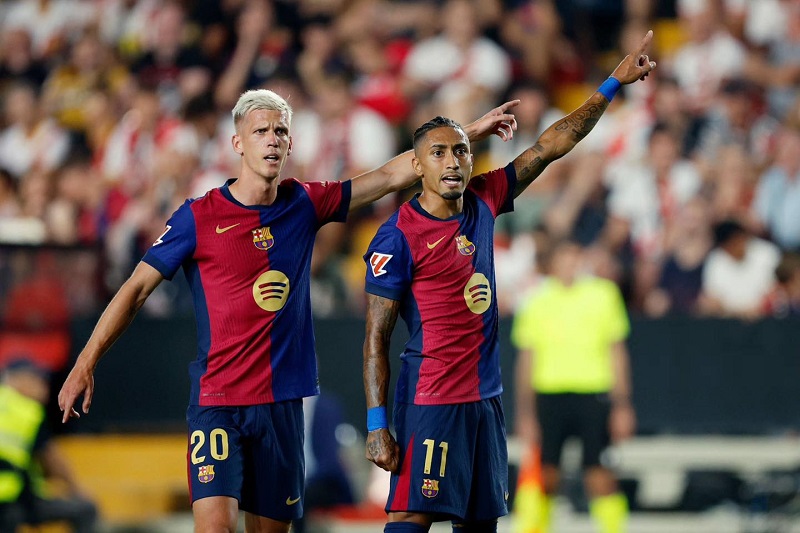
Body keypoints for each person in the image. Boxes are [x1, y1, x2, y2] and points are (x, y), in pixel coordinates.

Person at [57, 87, 519, 533]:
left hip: (282, 405)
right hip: (218, 402)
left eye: (280, 131)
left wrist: (464, 135)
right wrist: (85, 361)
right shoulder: (198, 217)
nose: (272, 140)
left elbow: (387, 177)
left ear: (291, 143)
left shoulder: (304, 203)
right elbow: (136, 288)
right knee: (214, 526)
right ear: (238, 143)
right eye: (260, 131)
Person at [361, 31, 656, 533]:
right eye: (438, 153)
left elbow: (551, 145)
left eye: (460, 151)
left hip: (485, 401)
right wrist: (376, 424)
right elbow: (375, 338)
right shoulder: (397, 236)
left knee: (481, 521)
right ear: (416, 165)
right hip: (431, 398)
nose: (452, 162)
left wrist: (610, 85)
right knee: (412, 515)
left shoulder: (485, 198)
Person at [511, 240, 635, 533]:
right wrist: (525, 413)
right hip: (550, 394)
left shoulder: (604, 295)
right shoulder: (535, 300)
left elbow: (617, 352)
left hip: (593, 394)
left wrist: (622, 405)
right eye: (564, 260)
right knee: (545, 473)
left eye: (575, 260)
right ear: (552, 265)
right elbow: (526, 359)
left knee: (599, 472)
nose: (569, 266)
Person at [0, 359, 98, 532]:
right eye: (37, 379)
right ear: (15, 379)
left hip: (14, 500)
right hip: (11, 502)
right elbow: (52, 460)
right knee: (85, 509)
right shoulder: (27, 411)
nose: (44, 387)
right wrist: (76, 489)